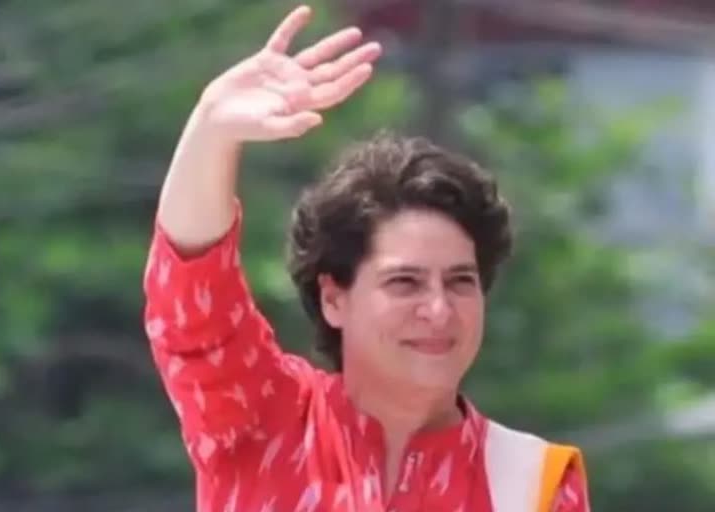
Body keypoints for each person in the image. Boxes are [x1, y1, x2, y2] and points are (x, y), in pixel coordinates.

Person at [143, 4, 590, 511]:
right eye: (405, 282)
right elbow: (191, 306)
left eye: (461, 281)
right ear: (334, 297)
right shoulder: (262, 419)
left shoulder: (531, 485)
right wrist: (211, 132)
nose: (439, 310)